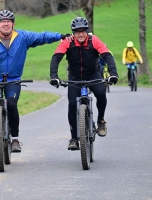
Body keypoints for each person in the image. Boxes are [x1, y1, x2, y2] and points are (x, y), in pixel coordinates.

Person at [0, 10, 68, 153]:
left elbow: (42, 36)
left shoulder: (23, 37)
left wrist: (59, 36)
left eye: (9, 21)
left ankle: (15, 139)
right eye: (2, 21)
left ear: (13, 24)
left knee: (11, 104)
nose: (6, 23)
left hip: (13, 78)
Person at [49, 17, 119, 150]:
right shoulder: (67, 41)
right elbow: (56, 58)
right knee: (72, 104)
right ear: (73, 32)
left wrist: (113, 73)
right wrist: (54, 77)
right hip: (75, 77)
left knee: (100, 93)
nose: (80, 34)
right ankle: (74, 138)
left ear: (87, 31)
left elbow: (107, 56)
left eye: (83, 31)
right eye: (77, 31)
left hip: (93, 74)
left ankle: (101, 121)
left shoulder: (94, 40)